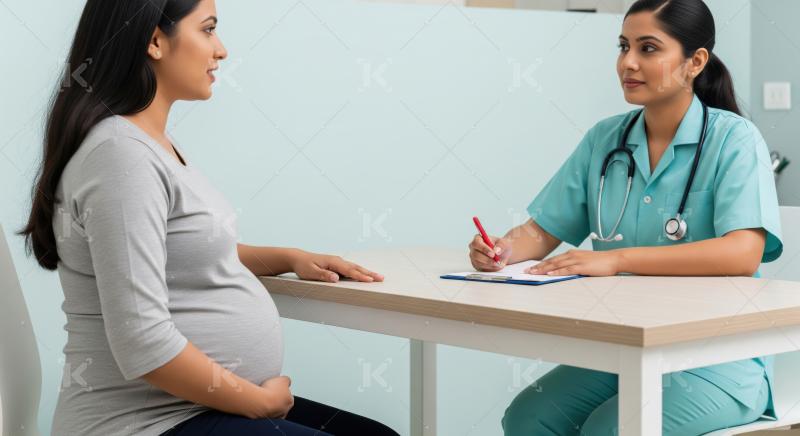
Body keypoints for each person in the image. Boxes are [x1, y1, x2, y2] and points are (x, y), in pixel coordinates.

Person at [17, 0, 398, 435]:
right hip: (142, 423)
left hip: (190, 409)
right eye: (208, 29)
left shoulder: (148, 144)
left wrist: (290, 257)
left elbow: (182, 252)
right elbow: (142, 341)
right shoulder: (120, 157)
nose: (222, 50)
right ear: (155, 41)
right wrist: (258, 402)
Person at [466, 0, 783, 434]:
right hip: (625, 350)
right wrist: (500, 249)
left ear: (695, 62)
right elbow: (542, 231)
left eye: (648, 48)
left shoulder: (734, 139)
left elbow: (743, 253)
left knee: (611, 430)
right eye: (623, 46)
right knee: (528, 418)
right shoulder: (606, 139)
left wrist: (616, 259)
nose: (627, 63)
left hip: (715, 359)